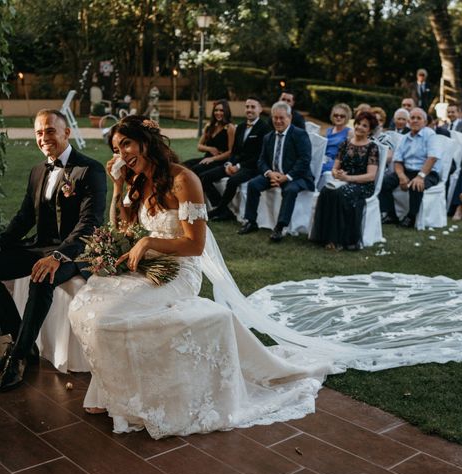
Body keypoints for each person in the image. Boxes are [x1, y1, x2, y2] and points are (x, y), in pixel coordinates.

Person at [67, 115, 333, 438]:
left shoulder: (184, 180)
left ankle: (129, 399)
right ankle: (111, 391)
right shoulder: (136, 180)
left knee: (108, 316)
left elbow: (195, 245)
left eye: (126, 144)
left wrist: (149, 242)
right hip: (148, 266)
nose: (121, 153)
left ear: (146, 142)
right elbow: (123, 228)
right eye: (116, 148)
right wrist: (118, 186)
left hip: (179, 271)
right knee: (85, 304)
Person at [0, 109, 107, 392]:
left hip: (74, 252)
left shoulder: (89, 169)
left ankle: (17, 358)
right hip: (40, 245)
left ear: (66, 133)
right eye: (39, 133)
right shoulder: (37, 171)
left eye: (50, 131)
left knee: (41, 277)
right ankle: (24, 343)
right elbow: (23, 219)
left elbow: (90, 223)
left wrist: (58, 256)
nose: (44, 138)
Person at [238, 101, 313, 242]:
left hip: (296, 176)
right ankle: (251, 221)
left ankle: (280, 227)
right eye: (275, 118)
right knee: (253, 184)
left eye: (281, 118)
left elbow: (304, 160)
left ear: (289, 118)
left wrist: (286, 177)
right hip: (273, 174)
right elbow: (261, 161)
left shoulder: (299, 134)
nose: (278, 121)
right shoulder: (269, 137)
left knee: (290, 190)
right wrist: (269, 173)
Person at [310, 111, 380, 250]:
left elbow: (371, 176)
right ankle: (325, 237)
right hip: (343, 181)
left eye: (364, 126)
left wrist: (348, 178)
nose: (359, 127)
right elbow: (335, 168)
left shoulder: (372, 147)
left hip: (363, 185)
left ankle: (340, 240)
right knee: (326, 191)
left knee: (342, 194)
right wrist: (337, 173)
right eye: (358, 124)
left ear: (370, 130)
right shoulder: (344, 144)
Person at [203, 95, 272, 221]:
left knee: (233, 181)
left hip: (252, 167)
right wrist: (228, 164)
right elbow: (234, 151)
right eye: (247, 107)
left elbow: (259, 155)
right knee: (204, 177)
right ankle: (224, 210)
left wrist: (238, 166)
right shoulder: (240, 127)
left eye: (252, 107)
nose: (249, 110)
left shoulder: (265, 128)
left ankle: (219, 210)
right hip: (234, 165)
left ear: (260, 109)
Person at [379, 107, 442, 228]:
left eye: (419, 118)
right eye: (412, 118)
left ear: (424, 122)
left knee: (416, 185)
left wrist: (420, 176)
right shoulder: (404, 138)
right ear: (408, 121)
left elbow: (432, 158)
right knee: (384, 182)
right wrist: (401, 176)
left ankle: (411, 217)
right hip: (407, 171)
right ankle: (391, 214)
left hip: (428, 172)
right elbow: (397, 160)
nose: (415, 120)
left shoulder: (430, 134)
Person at [183, 99, 236, 177]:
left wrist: (213, 159)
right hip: (206, 158)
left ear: (226, 111)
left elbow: (230, 152)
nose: (218, 113)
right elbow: (199, 146)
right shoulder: (209, 126)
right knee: (184, 165)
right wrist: (210, 149)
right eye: (216, 110)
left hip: (219, 161)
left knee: (194, 170)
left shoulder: (230, 127)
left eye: (221, 110)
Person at [323, 103, 352, 174]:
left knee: (320, 167)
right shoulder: (328, 130)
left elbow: (350, 154)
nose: (338, 117)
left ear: (347, 117)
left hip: (337, 162)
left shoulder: (349, 132)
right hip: (324, 158)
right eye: (336, 115)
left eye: (342, 116)